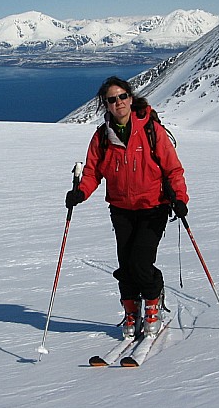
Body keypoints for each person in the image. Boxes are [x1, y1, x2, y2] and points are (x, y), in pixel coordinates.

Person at [65, 76, 189, 338]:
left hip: (153, 205)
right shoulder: (102, 137)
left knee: (141, 262)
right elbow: (92, 172)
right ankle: (131, 311)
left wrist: (179, 198)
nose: (118, 102)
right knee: (126, 264)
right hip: (121, 208)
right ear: (105, 105)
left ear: (131, 99)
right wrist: (80, 193)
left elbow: (173, 169)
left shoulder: (151, 130)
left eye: (122, 97)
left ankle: (153, 302)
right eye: (112, 99)